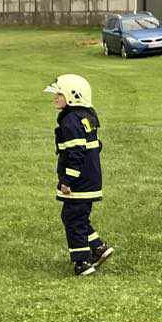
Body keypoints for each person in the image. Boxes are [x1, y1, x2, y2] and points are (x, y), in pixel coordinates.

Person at [44, 73, 112, 275]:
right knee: (75, 217)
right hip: (90, 179)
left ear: (74, 96)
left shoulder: (70, 122)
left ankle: (82, 262)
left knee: (73, 219)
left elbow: (75, 153)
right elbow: (96, 145)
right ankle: (98, 247)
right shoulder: (85, 117)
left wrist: (67, 180)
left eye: (59, 94)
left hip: (80, 183)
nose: (55, 97)